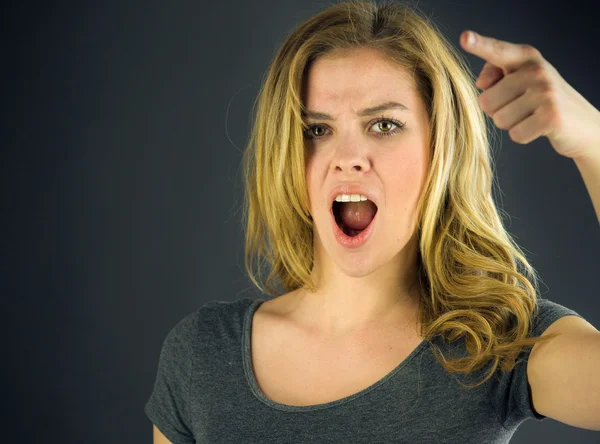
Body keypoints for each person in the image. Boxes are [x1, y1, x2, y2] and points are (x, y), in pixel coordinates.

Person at [145, 1, 600, 442]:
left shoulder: (499, 345)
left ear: (442, 149)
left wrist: (592, 139)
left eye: (384, 125)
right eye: (316, 130)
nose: (347, 159)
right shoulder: (200, 356)